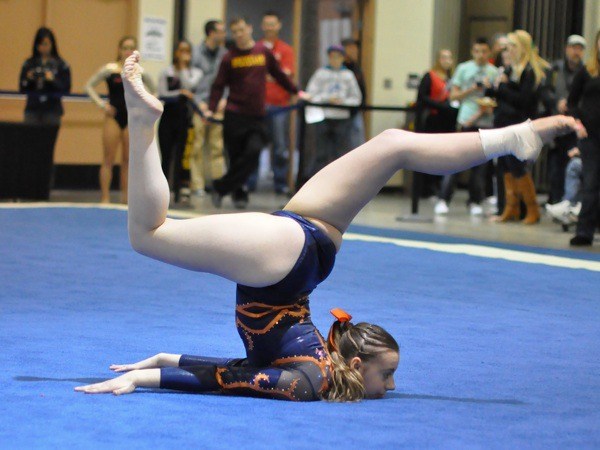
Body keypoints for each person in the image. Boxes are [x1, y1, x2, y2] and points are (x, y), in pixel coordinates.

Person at [74, 51, 580, 401]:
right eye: (391, 375)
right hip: (281, 260)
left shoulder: (311, 377)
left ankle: (518, 136)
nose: (393, 387)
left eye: (390, 375)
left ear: (355, 366)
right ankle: (143, 125)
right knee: (147, 235)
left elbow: (232, 374)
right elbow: (233, 377)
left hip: (310, 247)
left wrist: (163, 361)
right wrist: (153, 379)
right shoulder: (311, 378)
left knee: (393, 145)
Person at [207, 17, 305, 209]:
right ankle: (239, 194)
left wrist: (295, 91)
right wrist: (211, 110)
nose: (238, 35)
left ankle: (220, 187)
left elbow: (278, 74)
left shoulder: (262, 52)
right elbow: (218, 86)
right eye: (234, 32)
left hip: (256, 116)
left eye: (241, 30)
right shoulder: (229, 58)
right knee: (235, 158)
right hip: (234, 115)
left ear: (250, 28)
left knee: (252, 152)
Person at [486, 30, 551, 225]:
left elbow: (524, 100)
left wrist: (503, 88)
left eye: (512, 46)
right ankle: (511, 208)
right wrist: (494, 88)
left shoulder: (529, 71)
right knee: (506, 166)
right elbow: (503, 93)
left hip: (519, 125)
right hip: (505, 123)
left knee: (518, 167)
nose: (508, 50)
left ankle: (532, 209)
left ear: (521, 47)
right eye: (507, 47)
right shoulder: (510, 69)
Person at [86, 36, 154, 204]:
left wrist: (144, 107)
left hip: (131, 118)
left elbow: (155, 90)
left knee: (128, 161)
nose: (128, 51)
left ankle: (126, 199)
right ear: (119, 49)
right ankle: (105, 197)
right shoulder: (110, 69)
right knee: (108, 159)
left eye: (132, 48)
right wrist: (103, 105)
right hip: (113, 117)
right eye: (125, 47)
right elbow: (88, 86)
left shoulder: (139, 72)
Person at [436, 38, 498, 216]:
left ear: (489, 53)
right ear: (472, 51)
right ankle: (443, 198)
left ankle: (475, 200)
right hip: (466, 119)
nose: (480, 55)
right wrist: (471, 89)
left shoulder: (493, 72)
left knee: (481, 164)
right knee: (456, 160)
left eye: (484, 51)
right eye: (477, 51)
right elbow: (453, 96)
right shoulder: (464, 69)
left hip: (486, 121)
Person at [249, 10, 296, 195]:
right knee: (254, 145)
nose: (269, 27)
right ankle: (250, 183)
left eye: (273, 24)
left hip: (280, 106)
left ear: (278, 26)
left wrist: (268, 75)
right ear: (262, 26)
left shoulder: (286, 50)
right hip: (257, 106)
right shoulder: (255, 48)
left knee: (280, 147)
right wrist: (272, 75)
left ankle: (280, 183)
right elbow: (252, 76)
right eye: (266, 24)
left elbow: (287, 74)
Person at [305, 45, 362, 175]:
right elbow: (311, 94)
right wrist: (326, 99)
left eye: (338, 57)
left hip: (342, 118)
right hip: (323, 117)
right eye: (332, 56)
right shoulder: (321, 73)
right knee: (321, 152)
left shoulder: (348, 75)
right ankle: (317, 180)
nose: (335, 59)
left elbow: (356, 98)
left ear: (342, 58)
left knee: (341, 152)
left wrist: (343, 102)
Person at [157, 40, 202, 202]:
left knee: (182, 154)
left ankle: (180, 188)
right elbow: (162, 94)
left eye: (187, 51)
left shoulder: (195, 72)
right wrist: (180, 92)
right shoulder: (167, 72)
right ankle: (164, 190)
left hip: (185, 117)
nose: (184, 54)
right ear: (175, 52)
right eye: (181, 51)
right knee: (167, 153)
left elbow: (190, 86)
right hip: (168, 116)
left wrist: (183, 69)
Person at [544, 35, 586, 205]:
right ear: (566, 49)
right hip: (556, 123)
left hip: (577, 123)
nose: (576, 52)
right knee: (555, 164)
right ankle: (555, 200)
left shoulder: (587, 71)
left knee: (572, 164)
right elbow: (544, 91)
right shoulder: (554, 69)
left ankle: (569, 202)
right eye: (573, 48)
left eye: (580, 49)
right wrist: (556, 102)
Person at [569, 30, 600, 247]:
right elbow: (572, 103)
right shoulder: (586, 71)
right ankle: (584, 231)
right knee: (591, 182)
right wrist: (577, 124)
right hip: (589, 136)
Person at [190, 20, 227, 197]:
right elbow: (190, 81)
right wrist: (200, 104)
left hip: (218, 106)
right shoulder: (196, 53)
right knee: (197, 145)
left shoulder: (225, 54)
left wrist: (224, 99)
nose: (224, 34)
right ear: (211, 33)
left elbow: (228, 80)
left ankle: (217, 184)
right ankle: (197, 185)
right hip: (200, 105)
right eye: (220, 31)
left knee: (216, 146)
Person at [415, 48, 456, 200]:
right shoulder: (430, 75)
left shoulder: (452, 77)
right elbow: (422, 97)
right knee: (430, 154)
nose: (447, 60)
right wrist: (440, 105)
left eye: (449, 57)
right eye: (444, 57)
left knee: (445, 155)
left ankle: (440, 187)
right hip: (433, 119)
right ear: (438, 59)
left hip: (448, 120)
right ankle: (428, 188)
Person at [19, 27, 71, 125]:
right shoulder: (29, 64)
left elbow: (66, 89)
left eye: (46, 44)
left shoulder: (61, 65)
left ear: (52, 44)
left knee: (49, 138)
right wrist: (29, 79)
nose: (43, 47)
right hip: (32, 109)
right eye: (40, 44)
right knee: (29, 138)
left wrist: (52, 79)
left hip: (52, 109)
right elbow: (22, 88)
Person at [342, 38, 367, 150]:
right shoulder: (341, 69)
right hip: (342, 113)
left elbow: (362, 90)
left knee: (357, 144)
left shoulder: (356, 67)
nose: (354, 51)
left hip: (356, 111)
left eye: (355, 48)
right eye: (351, 48)